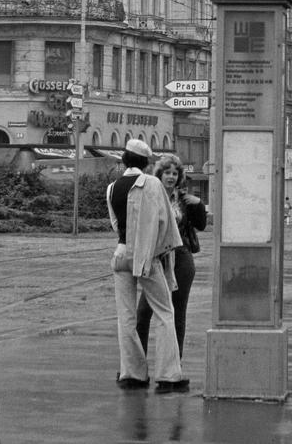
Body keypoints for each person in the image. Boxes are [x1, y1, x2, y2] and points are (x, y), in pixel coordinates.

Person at [106, 138, 186, 393]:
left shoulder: (111, 188)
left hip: (120, 255)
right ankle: (169, 376)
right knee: (164, 312)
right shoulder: (152, 184)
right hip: (147, 256)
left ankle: (132, 373)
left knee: (126, 317)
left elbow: (116, 225)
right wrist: (162, 251)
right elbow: (165, 223)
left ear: (124, 160)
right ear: (145, 162)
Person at [136, 153, 208, 357]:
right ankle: (138, 363)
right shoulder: (150, 196)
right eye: (167, 172)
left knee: (177, 312)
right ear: (159, 174)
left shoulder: (185, 201)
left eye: (175, 173)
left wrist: (197, 205)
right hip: (156, 258)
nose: (171, 177)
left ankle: (175, 362)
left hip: (181, 258)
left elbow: (201, 225)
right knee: (142, 313)